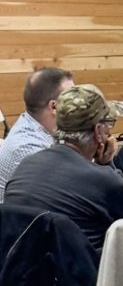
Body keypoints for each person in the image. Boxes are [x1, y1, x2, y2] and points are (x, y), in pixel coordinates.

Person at [4, 85, 123, 251]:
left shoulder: (26, 165)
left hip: (22, 273)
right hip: (85, 274)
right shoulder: (102, 180)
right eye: (108, 125)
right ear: (98, 131)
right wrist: (107, 164)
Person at [0, 67, 74, 202]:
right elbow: (73, 190)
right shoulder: (30, 148)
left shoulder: (32, 123)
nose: (78, 104)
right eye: (73, 99)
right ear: (54, 107)